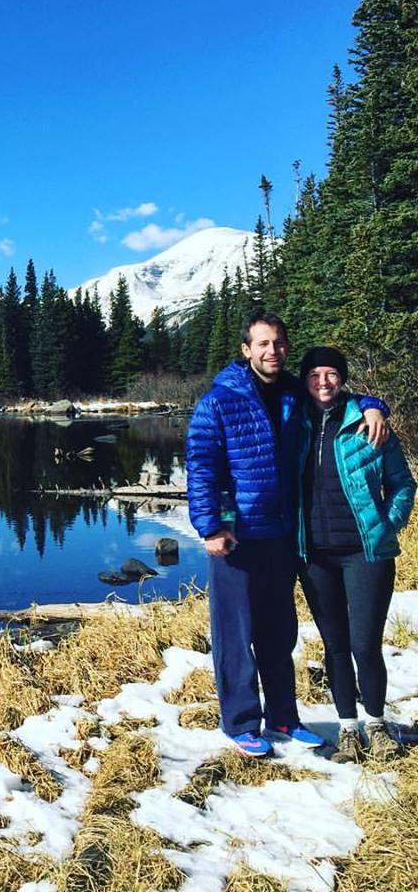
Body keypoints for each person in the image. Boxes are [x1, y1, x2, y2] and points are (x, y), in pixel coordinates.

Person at [186, 312, 389, 757]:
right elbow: (201, 467)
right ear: (246, 350)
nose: (272, 351)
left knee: (280, 632)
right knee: (236, 633)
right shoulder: (219, 401)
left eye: (278, 343)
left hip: (283, 534)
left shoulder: (294, 394)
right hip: (236, 537)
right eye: (262, 344)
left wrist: (376, 405)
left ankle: (283, 716)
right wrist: (211, 526)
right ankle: (240, 723)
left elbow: (338, 395)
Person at [297, 346, 415, 763]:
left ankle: (377, 726)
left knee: (366, 644)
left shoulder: (369, 426)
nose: (323, 382)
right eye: (314, 375)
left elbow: (403, 484)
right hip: (314, 556)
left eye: (331, 374)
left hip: (366, 552)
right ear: (305, 380)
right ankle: (348, 729)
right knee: (335, 645)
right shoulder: (295, 424)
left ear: (342, 379)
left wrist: (389, 522)